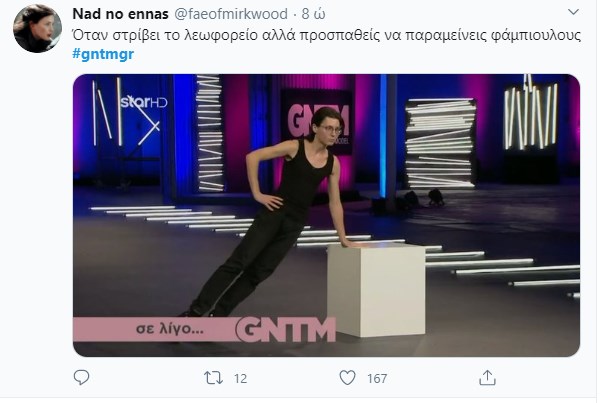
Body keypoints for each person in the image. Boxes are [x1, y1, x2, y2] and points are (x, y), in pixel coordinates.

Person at [180, 106, 361, 317]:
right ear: (314, 127)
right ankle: (194, 313)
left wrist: (342, 237)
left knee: (259, 272)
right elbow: (253, 157)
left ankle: (217, 316)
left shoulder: (333, 163)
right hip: (274, 214)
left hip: (295, 223)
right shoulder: (294, 146)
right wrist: (257, 193)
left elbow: (335, 202)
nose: (333, 134)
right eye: (329, 128)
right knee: (238, 262)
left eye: (337, 130)